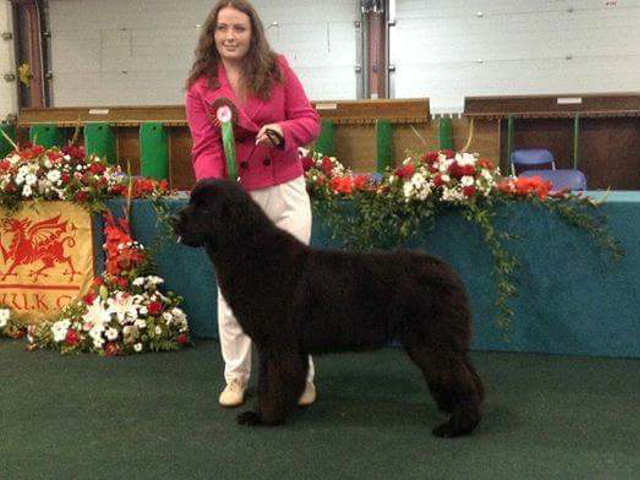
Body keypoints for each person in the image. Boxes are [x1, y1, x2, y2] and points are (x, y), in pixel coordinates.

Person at [185, 0, 320, 408]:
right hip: (235, 202)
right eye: (222, 28)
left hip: (284, 189)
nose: (230, 36)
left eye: (239, 29)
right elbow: (204, 146)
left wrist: (283, 130)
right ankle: (236, 376)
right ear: (211, 34)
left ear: (253, 32)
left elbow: (309, 120)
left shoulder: (277, 68)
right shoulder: (200, 88)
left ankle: (301, 378)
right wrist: (215, 190)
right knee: (233, 292)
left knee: (294, 291)